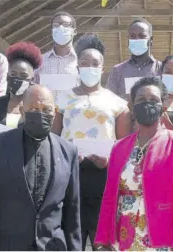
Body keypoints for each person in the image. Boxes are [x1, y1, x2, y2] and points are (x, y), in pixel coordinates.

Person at [93, 76, 173, 251]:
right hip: (123, 237)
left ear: (163, 107)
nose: (147, 104)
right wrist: (102, 240)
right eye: (141, 99)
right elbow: (109, 197)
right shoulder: (119, 147)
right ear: (133, 108)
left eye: (153, 100)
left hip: (161, 239)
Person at [0, 85, 81, 251]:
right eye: (34, 109)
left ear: (54, 112)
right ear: (22, 111)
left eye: (46, 109)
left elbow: (72, 210)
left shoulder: (68, 151)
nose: (41, 114)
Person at [51, 34, 130, 250]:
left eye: (95, 64)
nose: (89, 68)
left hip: (103, 176)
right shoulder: (62, 99)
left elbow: (124, 145)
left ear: (103, 68)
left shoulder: (117, 103)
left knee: (101, 239)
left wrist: (109, 161)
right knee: (70, 236)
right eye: (84, 64)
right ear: (77, 67)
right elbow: (54, 139)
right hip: (70, 175)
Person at [0, 42, 42, 138]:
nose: (17, 79)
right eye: (13, 74)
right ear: (7, 76)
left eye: (23, 76)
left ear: (32, 80)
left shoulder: (37, 108)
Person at [106, 18, 162, 99]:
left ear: (151, 40)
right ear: (128, 40)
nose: (137, 39)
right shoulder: (117, 71)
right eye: (132, 36)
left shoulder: (162, 69)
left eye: (142, 36)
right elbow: (110, 101)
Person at [34, 11, 79, 84]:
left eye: (66, 25)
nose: (61, 28)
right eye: (56, 25)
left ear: (74, 31)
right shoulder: (40, 62)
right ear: (52, 32)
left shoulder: (80, 62)